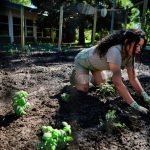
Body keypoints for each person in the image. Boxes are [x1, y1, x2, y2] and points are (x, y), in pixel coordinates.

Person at [70, 29, 150, 114]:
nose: (139, 50)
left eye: (141, 46)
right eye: (137, 45)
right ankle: (75, 76)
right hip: (83, 61)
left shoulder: (130, 54)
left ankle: (90, 76)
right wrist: (135, 105)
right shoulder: (115, 51)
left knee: (102, 85)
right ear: (127, 41)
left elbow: (133, 78)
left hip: (97, 67)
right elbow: (118, 83)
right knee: (83, 90)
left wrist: (145, 95)